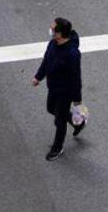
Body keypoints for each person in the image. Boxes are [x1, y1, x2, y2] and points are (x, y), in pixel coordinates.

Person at [32, 18, 83, 161]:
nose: (50, 30)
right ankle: (77, 122)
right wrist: (38, 76)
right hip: (53, 87)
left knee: (60, 121)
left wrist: (77, 99)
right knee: (50, 108)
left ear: (60, 33)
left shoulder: (72, 54)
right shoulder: (52, 44)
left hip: (65, 92)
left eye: (53, 28)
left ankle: (57, 147)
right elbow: (46, 61)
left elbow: (76, 77)